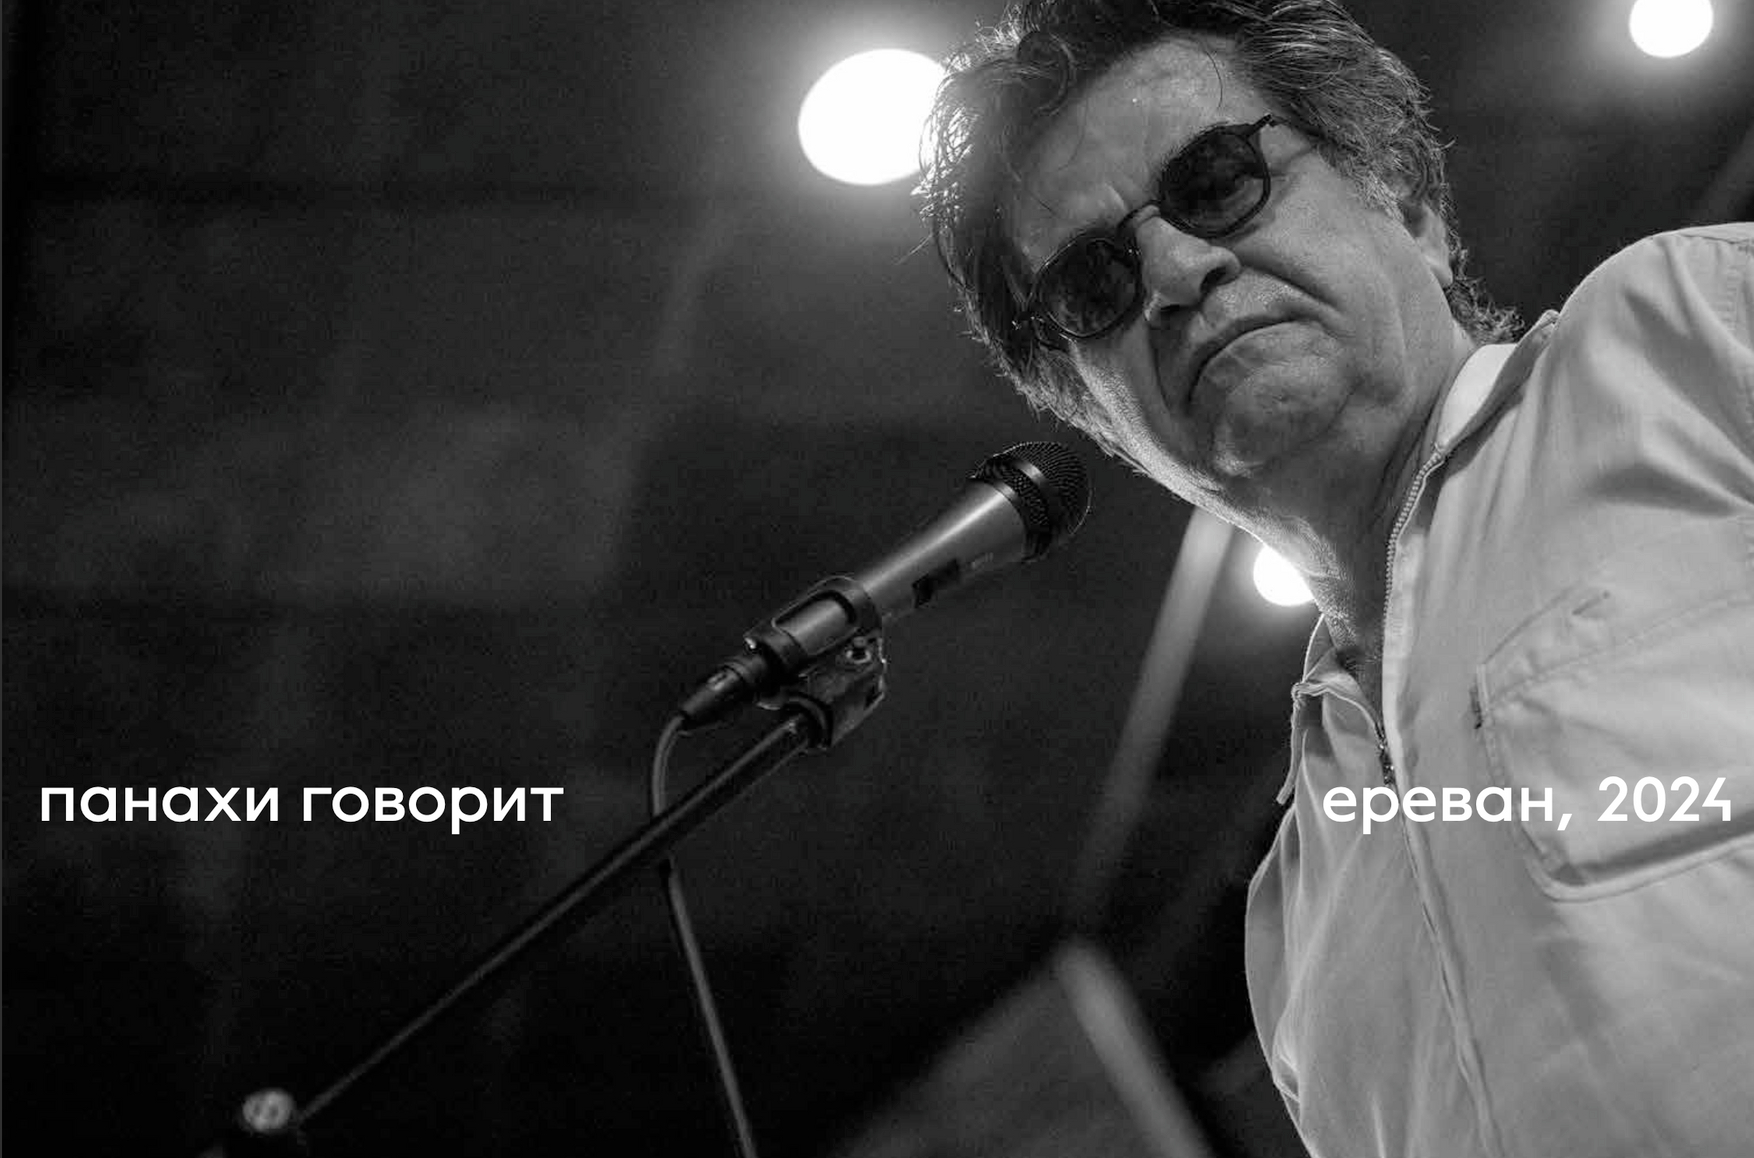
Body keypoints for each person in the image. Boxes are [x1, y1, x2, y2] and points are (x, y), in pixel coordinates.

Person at [918, 1, 1754, 1155]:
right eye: (1091, 285)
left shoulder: (1687, 329)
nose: (1172, 273)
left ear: (1404, 201)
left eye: (1216, 181)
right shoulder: (1292, 926)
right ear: (1104, 423)